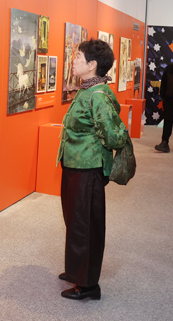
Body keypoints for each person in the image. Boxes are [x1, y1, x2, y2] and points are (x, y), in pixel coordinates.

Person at [56, 39, 127, 301]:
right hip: (75, 166)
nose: (73, 61)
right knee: (75, 221)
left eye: (78, 57)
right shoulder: (87, 90)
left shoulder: (98, 95)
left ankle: (87, 284)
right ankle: (77, 269)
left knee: (85, 226)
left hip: (88, 169)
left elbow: (114, 136)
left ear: (92, 64)